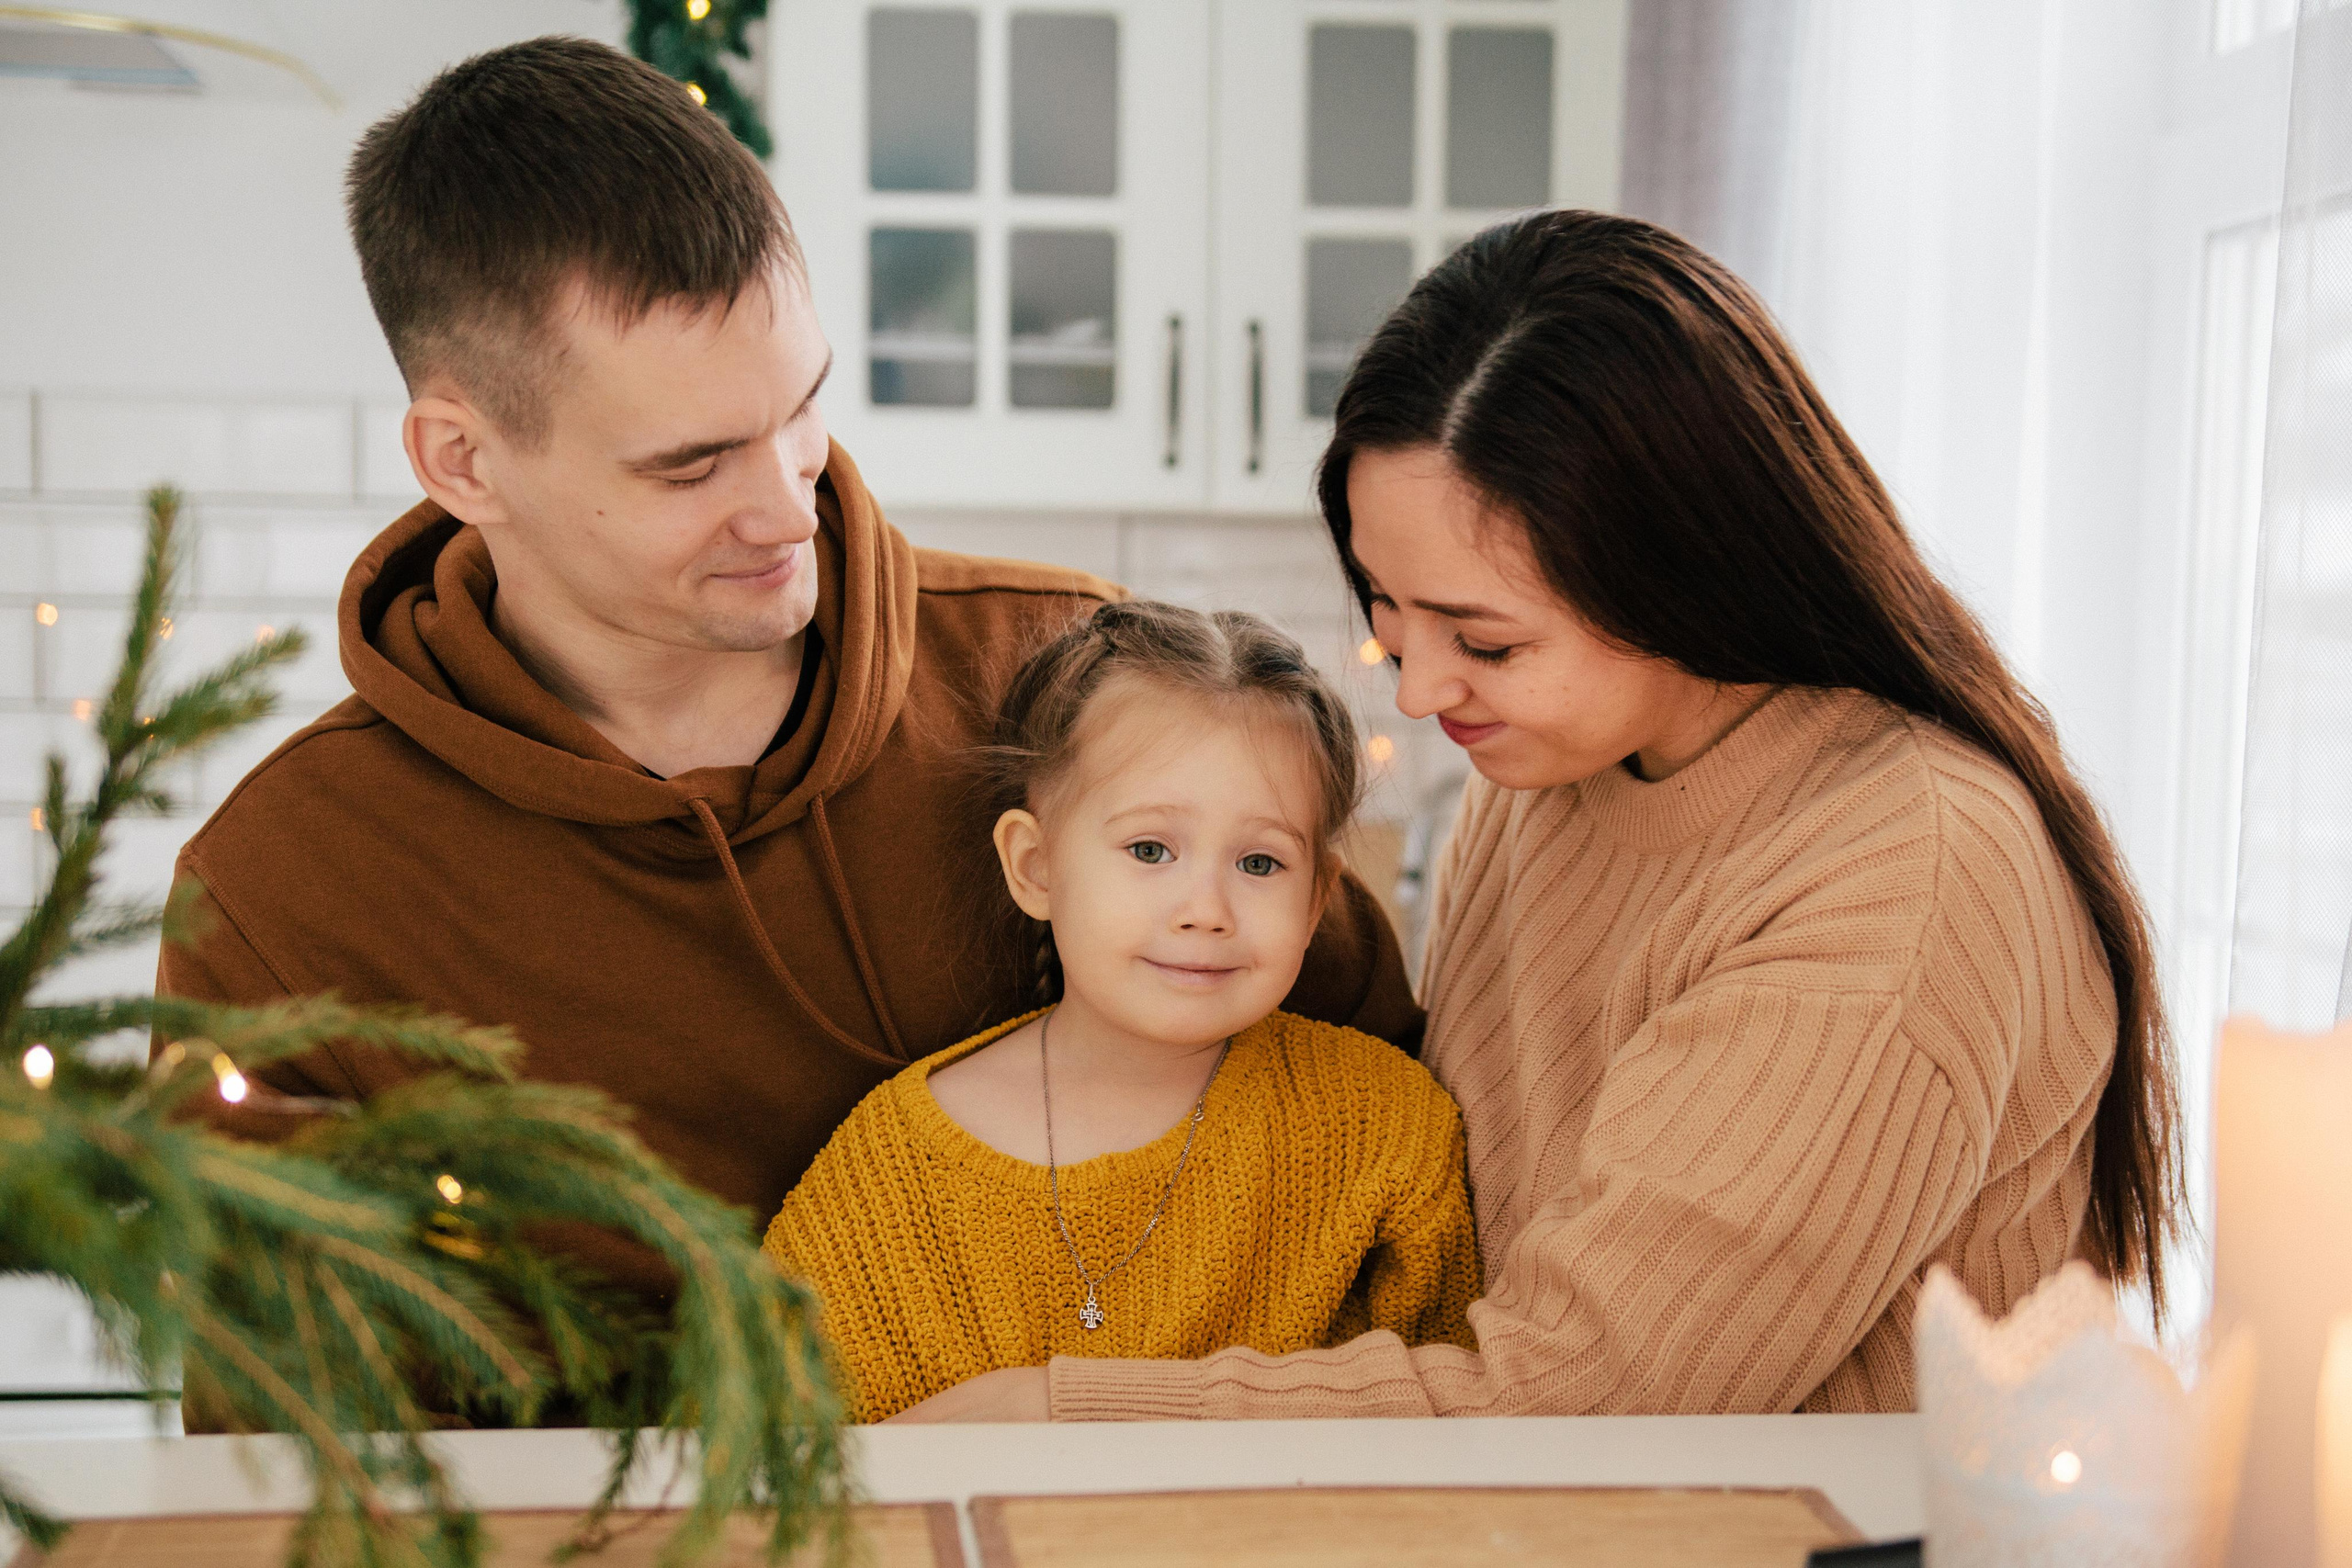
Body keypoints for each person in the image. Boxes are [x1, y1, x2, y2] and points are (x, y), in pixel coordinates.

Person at [154, 38, 1418, 1308]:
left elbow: (1393, 1146)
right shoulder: (285, 888)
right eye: (690, 463)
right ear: (464, 461)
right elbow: (291, 1397)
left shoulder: (1082, 686)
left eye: (801, 407)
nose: (783, 507)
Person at [895, 209, 2184, 1423]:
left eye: (1486, 642)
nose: (1416, 689)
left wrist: (1060, 1409)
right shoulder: (1551, 767)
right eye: (1387, 609)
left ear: (1687, 578)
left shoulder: (1902, 877)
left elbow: (1578, 1397)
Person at [764, 603, 1479, 1420]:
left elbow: (1460, 1414)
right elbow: (772, 1456)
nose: (1206, 910)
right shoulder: (890, 1174)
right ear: (1035, 867)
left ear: (1316, 900)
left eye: (1260, 862)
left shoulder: (1385, 1126)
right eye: (1150, 849)